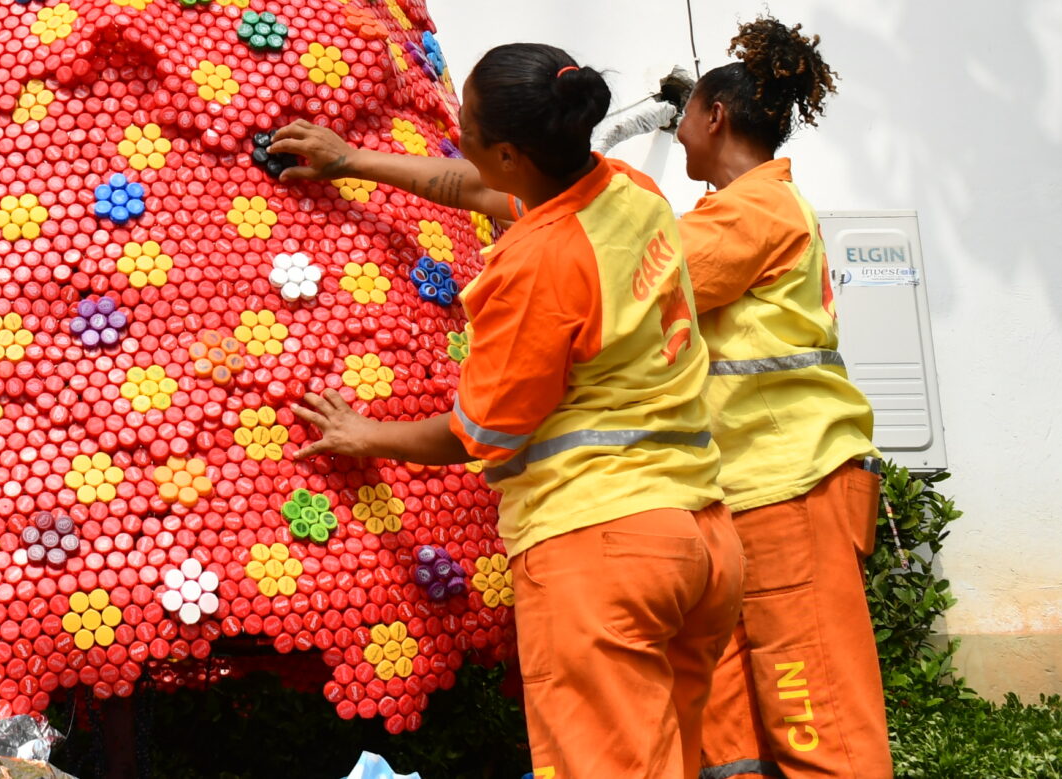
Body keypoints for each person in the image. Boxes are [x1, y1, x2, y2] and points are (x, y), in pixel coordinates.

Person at [276, 44, 741, 779]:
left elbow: (483, 430)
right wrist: (351, 160)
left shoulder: (539, 266)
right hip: (700, 543)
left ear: (509, 151)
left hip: (603, 550)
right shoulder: (627, 192)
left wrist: (366, 433)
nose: (452, 127)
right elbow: (470, 187)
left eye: (463, 118)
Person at [678, 19, 887, 779]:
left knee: (816, 715)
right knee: (736, 729)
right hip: (752, 488)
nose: (675, 132)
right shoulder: (745, 212)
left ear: (715, 117)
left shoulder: (755, 212)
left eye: (683, 115)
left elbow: (636, 280)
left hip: (786, 485)